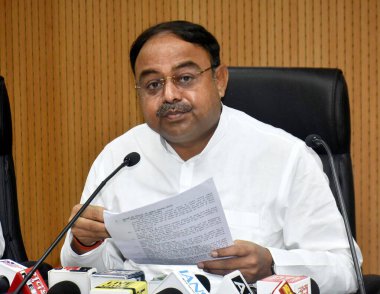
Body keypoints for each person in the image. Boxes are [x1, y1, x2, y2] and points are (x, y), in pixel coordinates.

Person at [60, 20, 362, 293]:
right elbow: (90, 272)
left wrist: (271, 264)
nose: (169, 96)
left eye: (185, 78)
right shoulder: (120, 157)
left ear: (219, 80)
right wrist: (86, 243)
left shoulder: (286, 156)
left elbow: (346, 270)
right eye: (153, 84)